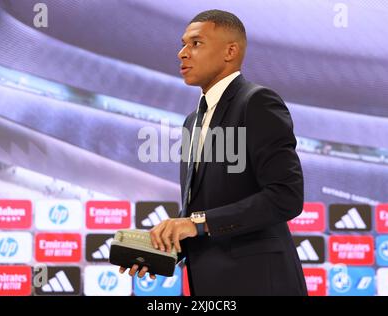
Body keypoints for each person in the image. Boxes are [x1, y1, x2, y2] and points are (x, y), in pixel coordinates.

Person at [119, 9, 307, 296]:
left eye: (196, 43)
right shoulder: (192, 120)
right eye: (183, 44)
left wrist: (195, 224)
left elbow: (286, 196)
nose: (182, 53)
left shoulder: (257, 102)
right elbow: (199, 216)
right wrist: (162, 249)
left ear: (230, 51)